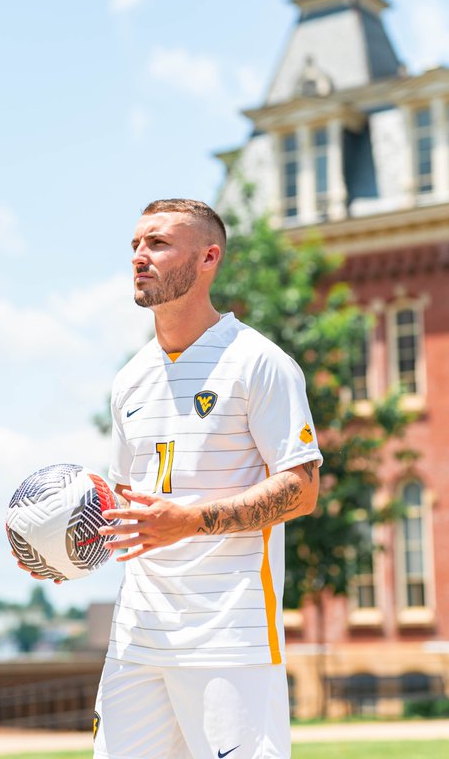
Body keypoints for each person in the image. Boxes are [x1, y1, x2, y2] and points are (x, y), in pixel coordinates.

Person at [90, 198, 323, 758]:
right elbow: (125, 505)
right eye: (136, 245)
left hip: (228, 636)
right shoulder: (130, 380)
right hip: (138, 636)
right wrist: (69, 546)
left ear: (208, 258)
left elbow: (303, 488)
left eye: (159, 243)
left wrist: (188, 522)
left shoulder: (258, 362)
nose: (140, 256)